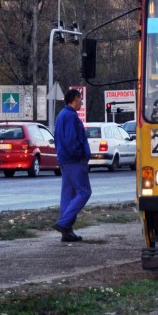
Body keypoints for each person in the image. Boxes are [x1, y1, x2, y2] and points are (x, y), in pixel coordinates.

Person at [53, 88, 92, 243]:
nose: (81, 102)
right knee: (84, 192)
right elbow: (71, 140)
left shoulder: (61, 115)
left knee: (68, 195)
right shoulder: (71, 116)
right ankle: (63, 224)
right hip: (74, 161)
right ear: (75, 99)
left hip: (64, 159)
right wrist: (80, 155)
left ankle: (67, 232)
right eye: (80, 99)